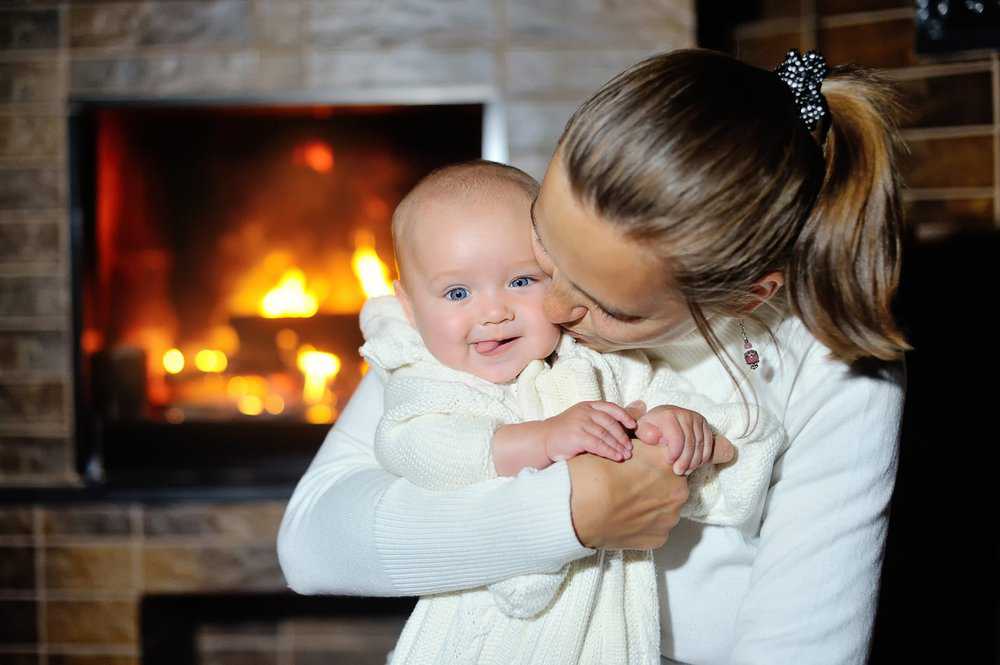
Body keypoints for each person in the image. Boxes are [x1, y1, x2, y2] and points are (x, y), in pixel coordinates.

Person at [277, 48, 907, 664]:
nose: (549, 308)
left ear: (746, 297)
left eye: (608, 305)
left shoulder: (836, 370)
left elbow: (800, 643)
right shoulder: (483, 310)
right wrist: (570, 514)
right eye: (545, 250)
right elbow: (314, 544)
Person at [358, 160, 786, 664]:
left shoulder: (600, 360)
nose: (493, 312)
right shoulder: (426, 374)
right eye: (458, 293)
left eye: (521, 281)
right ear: (408, 307)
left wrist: (684, 430)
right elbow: (411, 444)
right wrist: (540, 440)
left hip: (604, 626)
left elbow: (719, 443)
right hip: (476, 638)